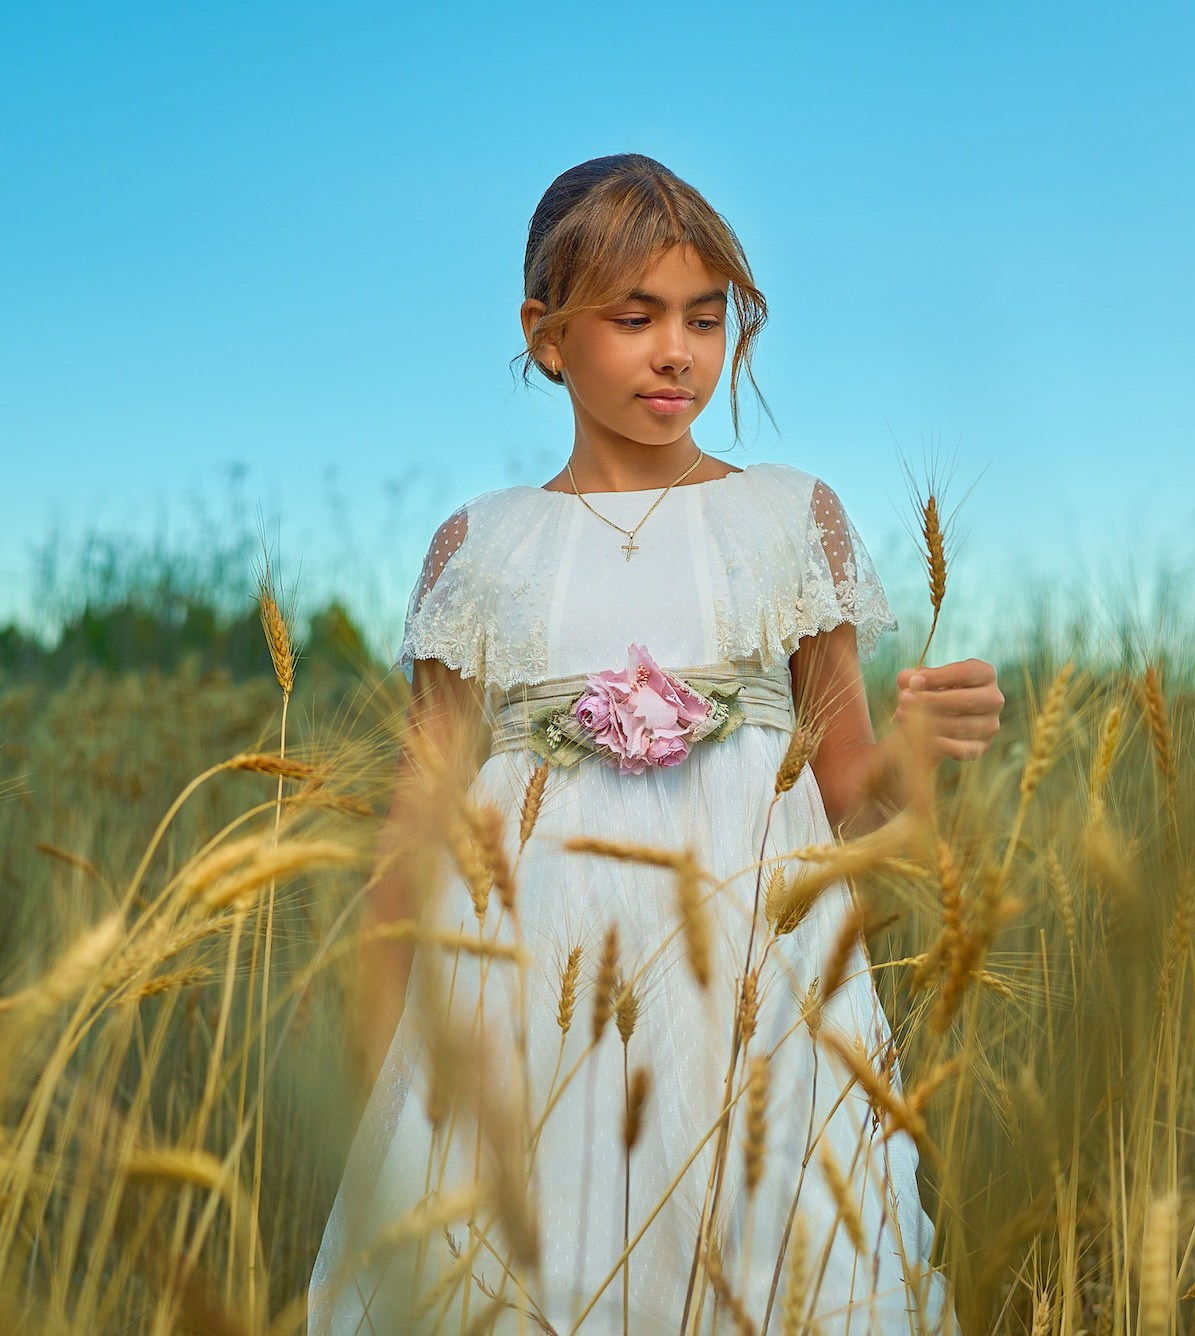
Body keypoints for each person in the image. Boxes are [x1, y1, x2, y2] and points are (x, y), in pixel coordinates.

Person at [307, 153, 1003, 1334]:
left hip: (755, 989)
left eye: (704, 316)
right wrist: (378, 1048)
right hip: (522, 1002)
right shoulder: (482, 546)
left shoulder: (787, 517)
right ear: (545, 334)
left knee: (769, 1268)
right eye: (633, 319)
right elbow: (414, 824)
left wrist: (910, 749)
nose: (676, 351)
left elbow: (847, 796)